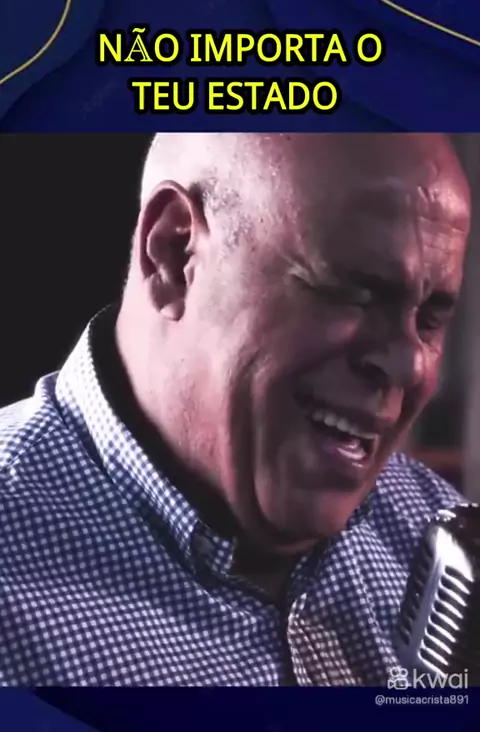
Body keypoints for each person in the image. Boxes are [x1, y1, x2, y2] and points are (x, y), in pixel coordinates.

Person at [0, 133, 471, 686]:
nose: (410, 366)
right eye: (354, 292)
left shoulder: (435, 527)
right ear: (174, 254)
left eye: (431, 318)